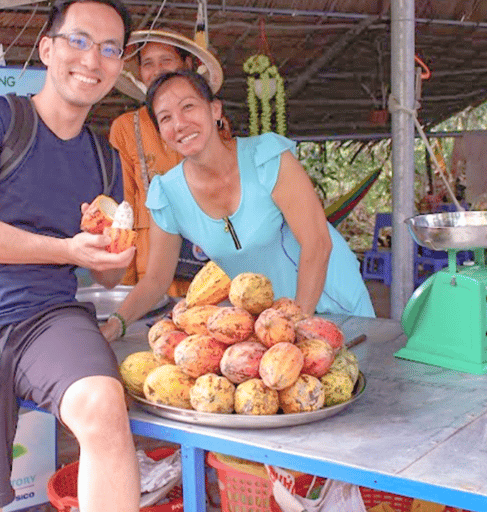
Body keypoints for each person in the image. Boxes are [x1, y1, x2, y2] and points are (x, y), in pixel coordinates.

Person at [0, 1, 140, 511]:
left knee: (104, 407)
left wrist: (108, 250)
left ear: (119, 66)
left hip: (48, 318)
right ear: (47, 48)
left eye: (110, 49)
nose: (92, 59)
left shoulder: (105, 162)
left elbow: (109, 278)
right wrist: (65, 248)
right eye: (79, 41)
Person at [102, 70, 374, 340]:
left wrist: (296, 326)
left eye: (188, 107)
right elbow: (156, 280)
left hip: (333, 302)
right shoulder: (167, 195)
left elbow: (318, 244)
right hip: (270, 322)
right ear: (161, 133)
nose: (180, 123)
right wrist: (115, 324)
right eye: (166, 118)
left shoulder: (266, 158)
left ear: (215, 110)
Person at [108, 30, 224, 301]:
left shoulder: (207, 118)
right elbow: (122, 204)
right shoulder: (124, 128)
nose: (156, 70)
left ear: (187, 65)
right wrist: (124, 280)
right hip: (149, 265)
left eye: (166, 60)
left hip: (209, 261)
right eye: (147, 63)